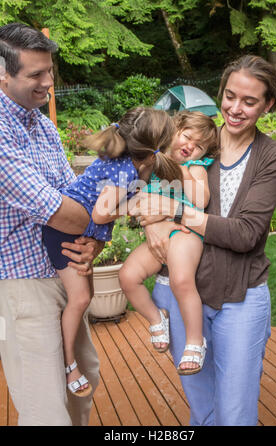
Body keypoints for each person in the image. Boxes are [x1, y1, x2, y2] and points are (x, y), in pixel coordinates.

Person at [128, 55, 276, 426]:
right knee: (202, 409)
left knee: (233, 413)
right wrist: (149, 221)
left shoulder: (272, 156)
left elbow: (246, 233)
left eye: (249, 101)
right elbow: (141, 185)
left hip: (240, 295)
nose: (235, 108)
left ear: (267, 105)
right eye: (230, 96)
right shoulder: (197, 139)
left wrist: (167, 215)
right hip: (180, 290)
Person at [0, 23, 102, 426]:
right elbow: (61, 210)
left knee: (83, 386)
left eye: (50, 71)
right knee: (46, 414)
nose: (48, 82)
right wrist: (98, 215)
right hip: (23, 289)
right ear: (2, 73)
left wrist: (92, 238)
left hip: (63, 274)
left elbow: (75, 196)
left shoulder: (40, 124)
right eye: (36, 75)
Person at [42, 106, 181, 396]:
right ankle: (69, 365)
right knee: (80, 299)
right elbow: (102, 214)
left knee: (84, 298)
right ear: (153, 146)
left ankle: (69, 358)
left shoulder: (136, 161)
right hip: (63, 232)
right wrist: (136, 206)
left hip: (77, 228)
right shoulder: (125, 168)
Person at [119, 112, 219, 375]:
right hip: (160, 233)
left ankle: (196, 340)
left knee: (181, 281)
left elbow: (200, 202)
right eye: (187, 136)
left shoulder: (196, 167)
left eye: (199, 145)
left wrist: (184, 170)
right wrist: (148, 216)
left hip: (185, 233)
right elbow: (135, 201)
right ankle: (156, 318)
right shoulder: (155, 161)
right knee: (127, 276)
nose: (190, 146)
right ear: (174, 130)